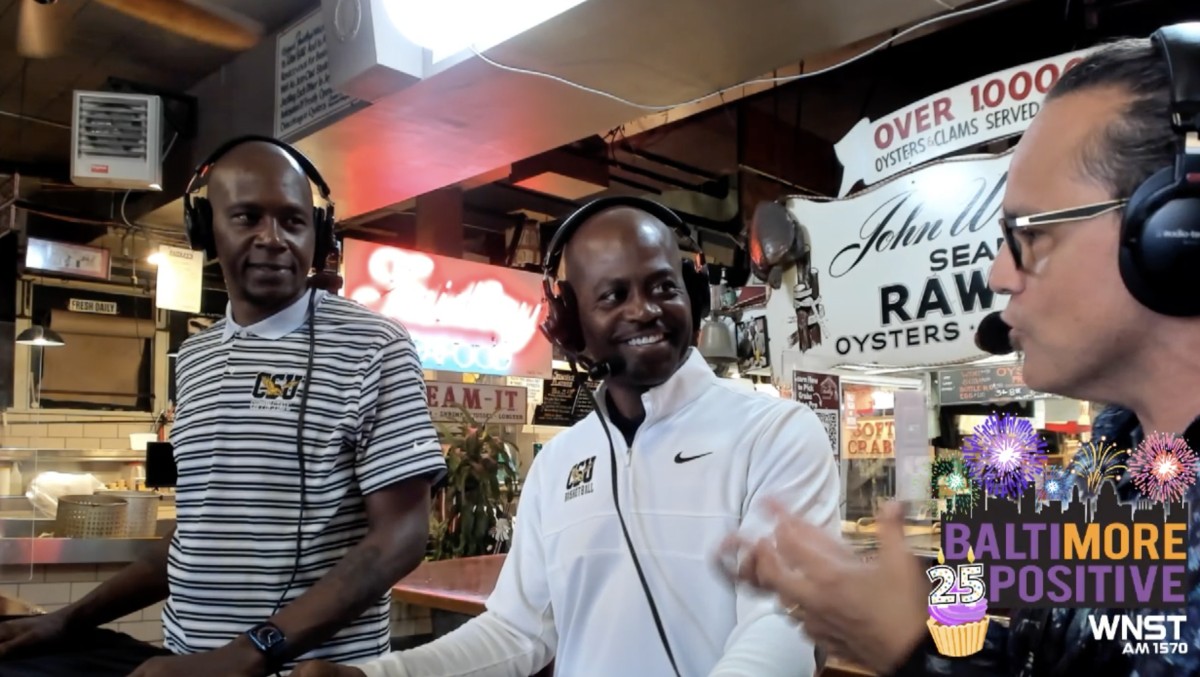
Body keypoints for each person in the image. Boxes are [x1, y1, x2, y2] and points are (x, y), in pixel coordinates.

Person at [724, 23, 1200, 677]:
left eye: (1025, 233)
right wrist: (924, 634)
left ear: (1175, 229)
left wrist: (912, 653)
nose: (1000, 274)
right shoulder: (1115, 463)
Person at [291, 196, 842, 676]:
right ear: (569, 324)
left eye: (663, 287)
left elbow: (781, 625)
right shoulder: (559, 463)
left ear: (693, 295)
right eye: (612, 296)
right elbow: (517, 632)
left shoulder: (774, 433)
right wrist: (382, 676)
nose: (644, 310)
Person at [0, 137, 446, 676]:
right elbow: (196, 536)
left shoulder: (374, 346)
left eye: (293, 221)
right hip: (186, 665)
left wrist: (247, 654)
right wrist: (67, 620)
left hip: (311, 671)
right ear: (207, 227)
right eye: (248, 217)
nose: (273, 238)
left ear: (319, 234)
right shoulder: (195, 357)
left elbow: (400, 537)